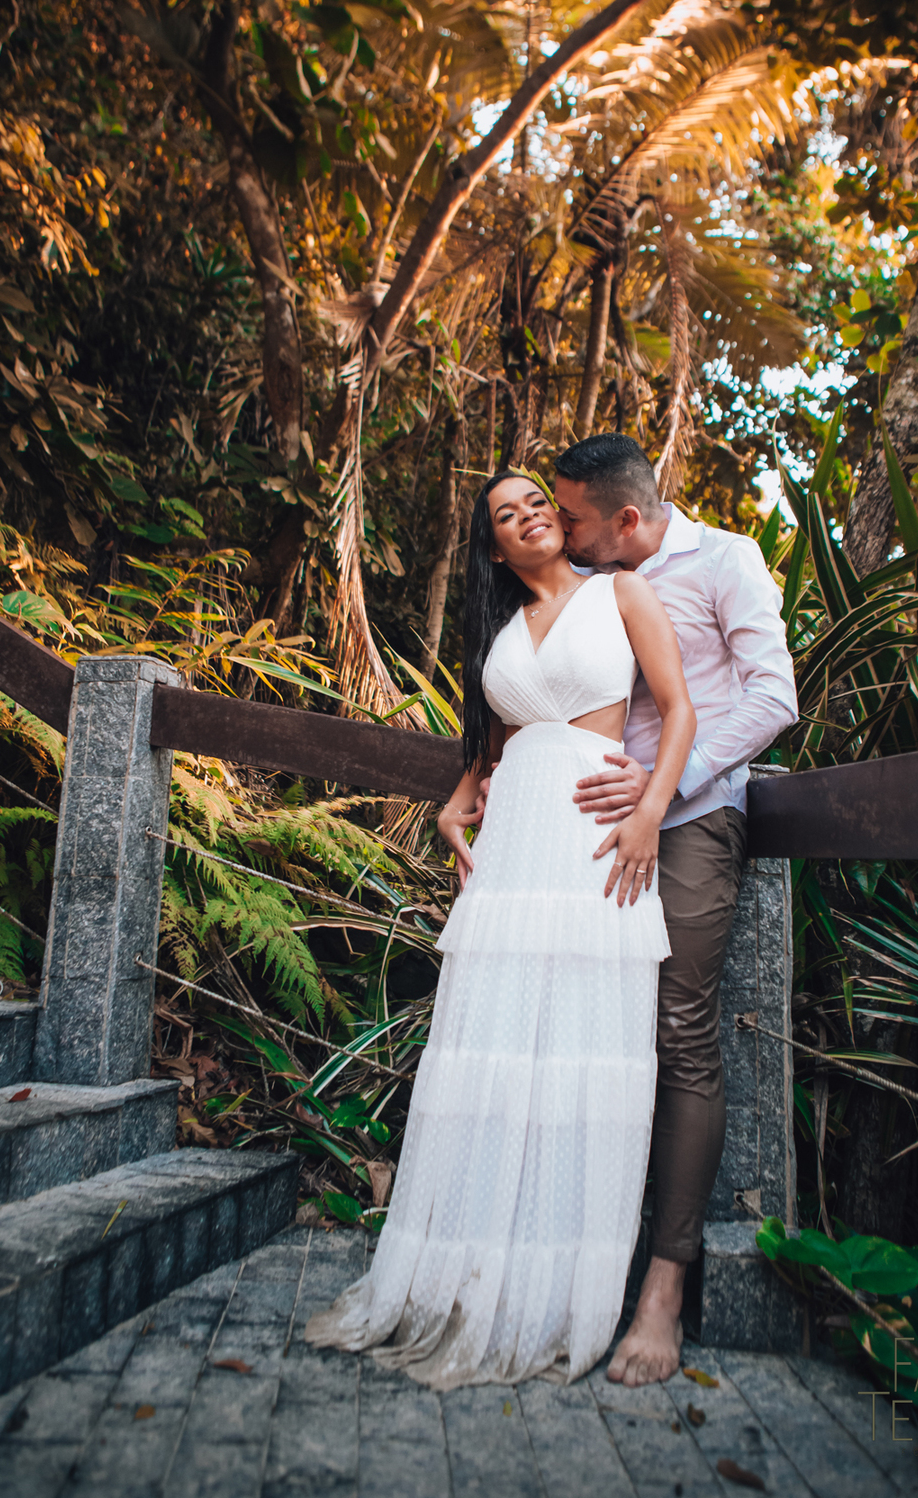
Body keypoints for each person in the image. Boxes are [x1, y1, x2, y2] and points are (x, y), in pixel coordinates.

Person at [305, 470, 696, 1389]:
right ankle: (464, 1274)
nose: (526, 518)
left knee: (580, 1053)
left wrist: (649, 813)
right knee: (492, 1043)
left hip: (599, 834)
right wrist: (456, 798)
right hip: (515, 843)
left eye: (536, 504)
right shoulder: (500, 631)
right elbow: (499, 741)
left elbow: (678, 710)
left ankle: (561, 1294)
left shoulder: (623, 592)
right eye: (505, 516)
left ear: (561, 521)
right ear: (495, 547)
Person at [551, 435, 798, 1388]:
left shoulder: (727, 561)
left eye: (573, 518)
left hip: (693, 818)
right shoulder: (585, 580)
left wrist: (665, 786)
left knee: (680, 1028)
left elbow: (774, 696)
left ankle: (663, 1287)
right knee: (580, 1022)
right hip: (590, 816)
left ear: (625, 518)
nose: (564, 534)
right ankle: (579, 1256)